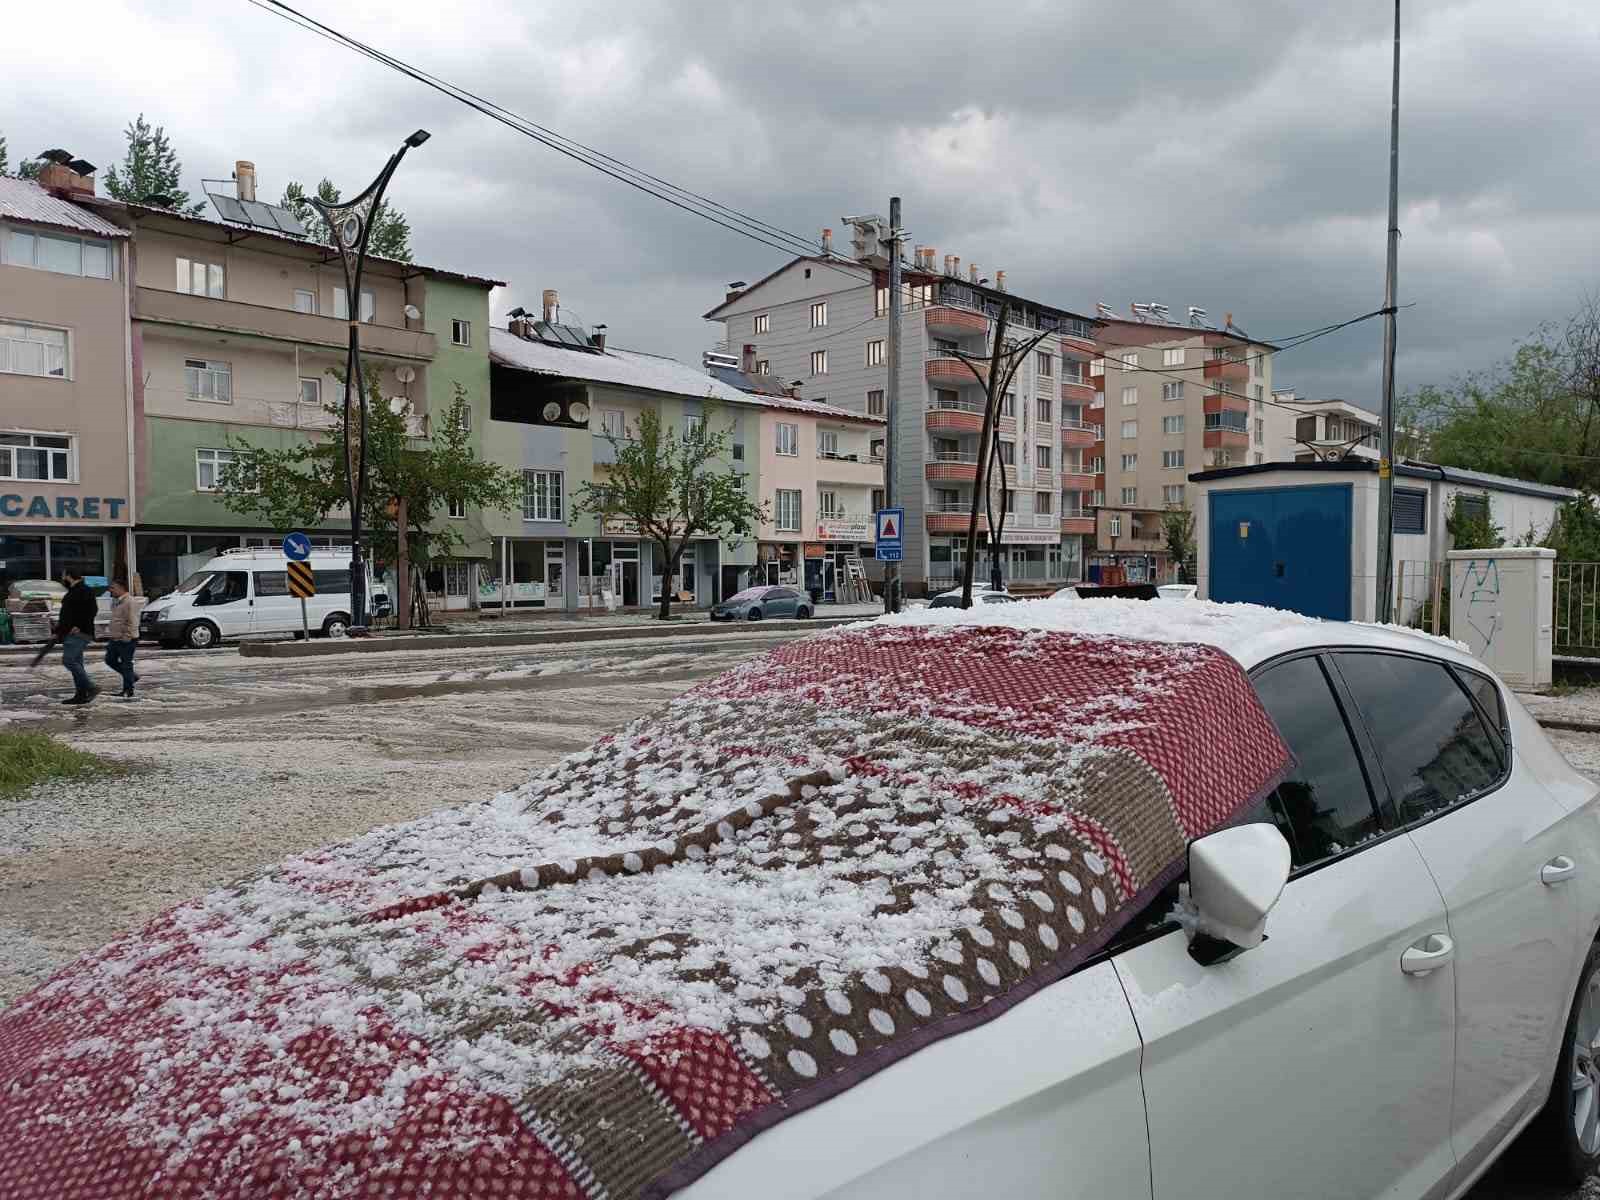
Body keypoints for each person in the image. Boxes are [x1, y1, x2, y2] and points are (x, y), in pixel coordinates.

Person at [56, 570, 99, 706]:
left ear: (69, 576)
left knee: (69, 661)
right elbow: (68, 614)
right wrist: (59, 630)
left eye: (63, 576)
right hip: (71, 633)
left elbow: (91, 611)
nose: (62, 579)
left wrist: (79, 626)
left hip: (78, 633)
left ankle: (91, 687)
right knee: (77, 663)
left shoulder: (84, 590)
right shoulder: (74, 591)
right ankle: (81, 694)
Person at [104, 577, 141, 699]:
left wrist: (127, 636)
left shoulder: (130, 602)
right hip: (115, 638)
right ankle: (131, 677)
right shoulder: (117, 601)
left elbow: (133, 621)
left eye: (113, 588)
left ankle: (128, 690)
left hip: (126, 639)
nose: (110, 590)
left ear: (121, 588)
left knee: (126, 664)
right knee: (110, 660)